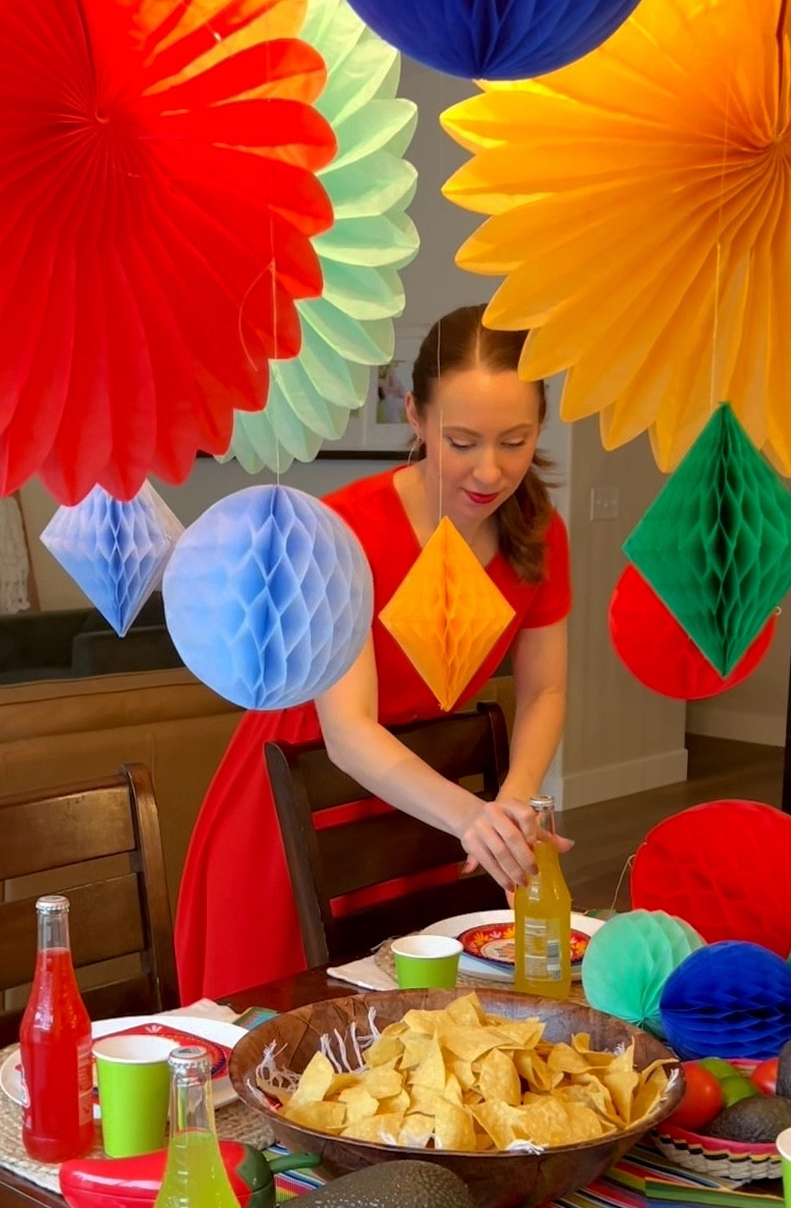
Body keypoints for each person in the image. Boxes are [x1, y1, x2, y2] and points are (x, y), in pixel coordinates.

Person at [174, 304, 571, 1000]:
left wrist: (514, 805)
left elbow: (544, 691)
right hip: (293, 803)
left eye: (514, 440)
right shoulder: (349, 530)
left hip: (419, 807)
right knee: (275, 1041)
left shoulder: (539, 532)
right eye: (462, 439)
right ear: (414, 417)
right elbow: (349, 730)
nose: (490, 469)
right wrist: (475, 820)